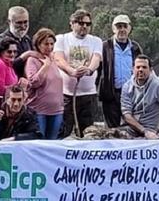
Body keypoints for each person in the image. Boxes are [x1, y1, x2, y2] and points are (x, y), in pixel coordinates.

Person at [54, 9, 103, 137]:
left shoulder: (96, 41)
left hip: (88, 94)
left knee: (88, 132)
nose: (85, 27)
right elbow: (58, 59)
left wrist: (89, 70)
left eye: (88, 24)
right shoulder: (62, 39)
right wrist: (71, 71)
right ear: (72, 23)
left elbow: (96, 58)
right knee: (63, 130)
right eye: (81, 23)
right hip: (66, 94)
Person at [121, 55, 159, 139]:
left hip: (152, 132)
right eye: (138, 67)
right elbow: (126, 114)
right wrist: (144, 131)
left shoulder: (158, 86)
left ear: (150, 70)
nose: (141, 70)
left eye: (144, 67)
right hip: (132, 129)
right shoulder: (127, 87)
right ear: (133, 69)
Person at [98, 14, 143, 128]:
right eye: (119, 26)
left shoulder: (135, 47)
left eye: (124, 26)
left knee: (132, 127)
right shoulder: (105, 46)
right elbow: (98, 69)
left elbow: (141, 67)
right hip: (111, 94)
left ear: (129, 28)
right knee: (112, 129)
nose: (122, 29)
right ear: (113, 29)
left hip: (131, 94)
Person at [25, 28, 64, 140]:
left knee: (52, 144)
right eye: (46, 44)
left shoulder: (53, 59)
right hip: (39, 111)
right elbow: (34, 82)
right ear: (38, 44)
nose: (49, 47)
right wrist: (45, 66)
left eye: (52, 44)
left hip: (57, 110)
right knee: (38, 142)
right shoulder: (32, 60)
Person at [0, 6, 36, 78]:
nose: (23, 26)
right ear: (9, 22)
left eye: (25, 22)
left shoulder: (27, 39)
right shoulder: (1, 41)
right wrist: (23, 57)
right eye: (19, 23)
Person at [0, 38, 26, 112]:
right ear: (1, 52)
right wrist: (18, 88)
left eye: (15, 52)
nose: (12, 54)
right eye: (9, 52)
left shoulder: (8, 65)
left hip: (8, 106)